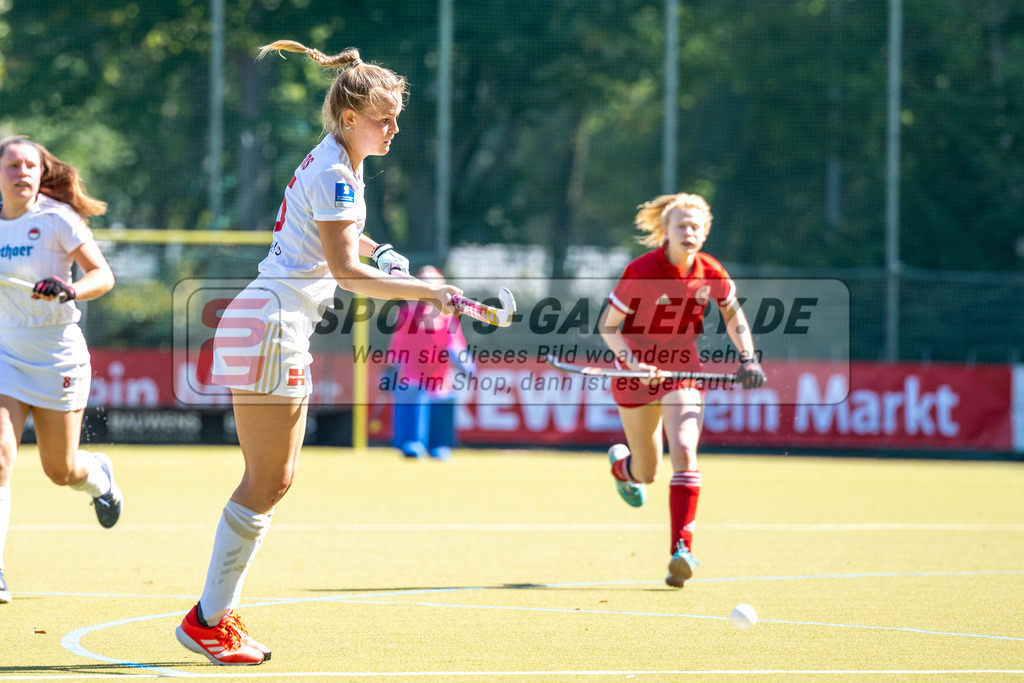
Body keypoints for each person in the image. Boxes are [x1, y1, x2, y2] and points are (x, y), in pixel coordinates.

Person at [174, 41, 463, 666]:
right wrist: (426, 291)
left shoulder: (339, 164)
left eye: (397, 117)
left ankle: (213, 615)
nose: (394, 128)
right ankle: (207, 619)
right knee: (268, 480)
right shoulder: (335, 170)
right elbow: (345, 271)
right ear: (351, 116)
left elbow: (349, 244)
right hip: (272, 324)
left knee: (275, 479)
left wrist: (385, 255)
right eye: (385, 118)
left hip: (271, 323)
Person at [597, 192, 766, 589]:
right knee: (648, 471)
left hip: (682, 367)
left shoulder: (711, 271)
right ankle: (622, 469)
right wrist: (635, 363)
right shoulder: (641, 270)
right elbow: (608, 327)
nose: (688, 232)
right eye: (681, 226)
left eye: (696, 226)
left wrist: (749, 359)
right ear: (667, 232)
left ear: (705, 233)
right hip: (635, 370)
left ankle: (681, 550)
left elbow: (732, 314)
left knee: (686, 450)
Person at [0, 136, 120, 605]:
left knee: (61, 469)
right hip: (5, 355)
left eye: (30, 165)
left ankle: (99, 478)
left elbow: (102, 276)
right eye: (12, 165)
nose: (22, 172)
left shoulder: (56, 219)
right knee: (1, 456)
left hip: (58, 358)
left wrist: (69, 290)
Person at [384, 265, 475, 460]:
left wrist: (463, 360)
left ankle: (438, 444)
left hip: (439, 376)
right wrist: (391, 367)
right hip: (412, 375)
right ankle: (411, 442)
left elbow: (455, 343)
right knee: (412, 403)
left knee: (441, 403)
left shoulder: (448, 317)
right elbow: (398, 344)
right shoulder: (407, 314)